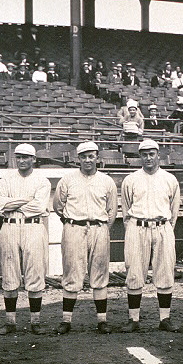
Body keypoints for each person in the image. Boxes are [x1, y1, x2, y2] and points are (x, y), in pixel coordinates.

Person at [53, 141, 119, 334]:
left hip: (99, 228)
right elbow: (58, 205)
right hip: (74, 227)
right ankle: (66, 320)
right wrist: (70, 221)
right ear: (78, 159)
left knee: (99, 273)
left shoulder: (106, 181)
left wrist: (102, 227)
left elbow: (112, 210)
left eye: (91, 156)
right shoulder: (68, 179)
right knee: (72, 272)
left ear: (97, 157)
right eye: (84, 156)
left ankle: (102, 320)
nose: (88, 160)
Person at [116, 139, 179, 332]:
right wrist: (134, 228)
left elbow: (174, 211)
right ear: (139, 156)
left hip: (162, 226)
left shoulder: (169, 179)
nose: (148, 158)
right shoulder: (131, 179)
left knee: (165, 270)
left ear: (158, 155)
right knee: (134, 271)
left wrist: (165, 227)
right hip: (137, 226)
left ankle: (165, 319)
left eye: (152, 154)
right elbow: (126, 210)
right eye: (144, 154)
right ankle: (133, 319)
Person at [0, 143, 54, 334]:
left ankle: (35, 322)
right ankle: (10, 322)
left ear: (33, 159)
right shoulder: (5, 180)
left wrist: (14, 204)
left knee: (35, 272)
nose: (21, 161)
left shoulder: (42, 180)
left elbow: (39, 206)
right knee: (10, 274)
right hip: (9, 226)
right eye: (18, 157)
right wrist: (26, 200)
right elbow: (1, 205)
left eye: (26, 157)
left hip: (34, 227)